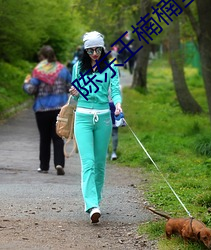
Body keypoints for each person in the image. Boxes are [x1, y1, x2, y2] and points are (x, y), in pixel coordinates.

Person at [69, 31, 122, 223]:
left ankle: (96, 201)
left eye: (97, 49)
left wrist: (117, 104)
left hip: (104, 118)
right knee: (88, 163)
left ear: (103, 48)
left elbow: (115, 90)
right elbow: (75, 96)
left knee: (100, 164)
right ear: (85, 50)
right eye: (90, 50)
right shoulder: (77, 67)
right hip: (82, 117)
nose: (94, 53)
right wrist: (74, 91)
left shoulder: (110, 68)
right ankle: (91, 204)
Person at [23, 45, 72, 175]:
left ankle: (44, 166)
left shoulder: (38, 71)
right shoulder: (63, 70)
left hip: (42, 109)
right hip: (59, 109)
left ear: (42, 57)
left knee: (44, 138)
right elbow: (70, 86)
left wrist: (26, 83)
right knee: (58, 137)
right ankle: (59, 163)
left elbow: (31, 90)